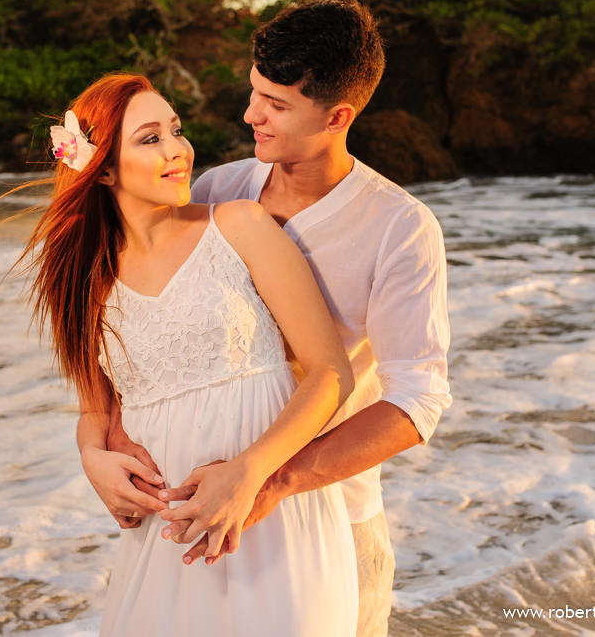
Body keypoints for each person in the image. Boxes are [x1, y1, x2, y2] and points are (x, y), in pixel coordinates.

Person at [102, 0, 453, 637]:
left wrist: (269, 479)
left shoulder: (398, 228)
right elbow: (127, 322)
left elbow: (418, 400)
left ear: (339, 116)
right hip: (197, 513)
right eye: (254, 91)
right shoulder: (215, 191)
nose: (250, 115)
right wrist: (99, 444)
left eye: (277, 105)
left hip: (329, 515)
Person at [19, 73, 360, 636]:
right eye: (150, 138)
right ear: (102, 167)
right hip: (166, 535)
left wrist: (249, 474)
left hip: (269, 520)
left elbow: (329, 374)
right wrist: (92, 459)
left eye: (175, 130)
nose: (177, 150)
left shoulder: (240, 227)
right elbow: (96, 411)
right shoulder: (84, 281)